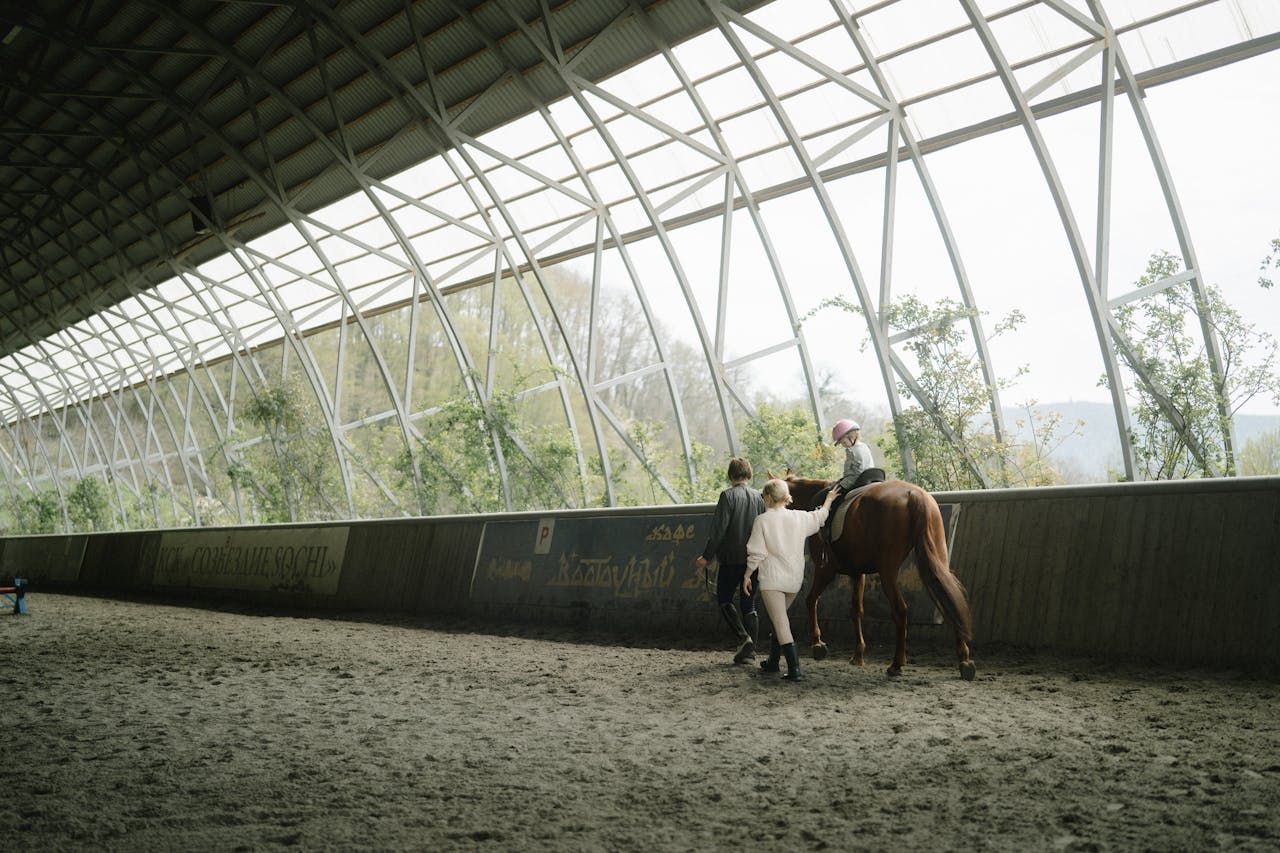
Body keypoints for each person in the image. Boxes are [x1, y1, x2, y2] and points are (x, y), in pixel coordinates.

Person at [743, 478, 841, 681]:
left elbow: (757, 553)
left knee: (780, 622)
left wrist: (747, 575)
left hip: (772, 580)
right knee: (780, 620)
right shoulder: (799, 517)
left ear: (768, 498)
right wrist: (829, 499)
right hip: (794, 581)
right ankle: (772, 662)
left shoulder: (762, 520)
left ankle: (794, 669)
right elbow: (821, 516)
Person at [694, 457, 765, 664]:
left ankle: (744, 638)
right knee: (749, 604)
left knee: (724, 599)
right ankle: (751, 653)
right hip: (753, 561)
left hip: (731, 559)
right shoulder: (759, 498)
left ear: (730, 475)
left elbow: (718, 531)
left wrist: (706, 557)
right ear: (748, 474)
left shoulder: (727, 496)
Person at [811, 419, 876, 513]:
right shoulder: (866, 446)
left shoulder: (851, 451)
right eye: (842, 444)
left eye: (844, 442)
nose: (844, 446)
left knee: (827, 495)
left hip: (855, 481)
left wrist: (841, 484)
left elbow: (854, 474)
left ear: (852, 436)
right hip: (870, 478)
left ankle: (827, 520)